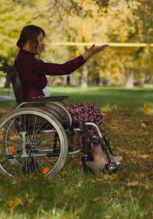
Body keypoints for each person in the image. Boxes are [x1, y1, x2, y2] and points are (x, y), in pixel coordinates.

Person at [14, 25, 122, 177]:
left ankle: (100, 155)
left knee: (92, 109)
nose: (43, 43)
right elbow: (64, 69)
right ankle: (98, 157)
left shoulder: (25, 60)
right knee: (89, 109)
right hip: (39, 109)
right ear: (30, 40)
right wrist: (89, 53)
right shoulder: (27, 61)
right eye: (40, 40)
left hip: (40, 107)